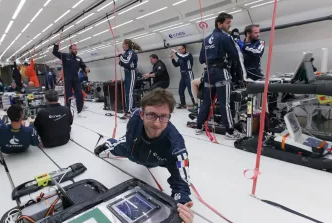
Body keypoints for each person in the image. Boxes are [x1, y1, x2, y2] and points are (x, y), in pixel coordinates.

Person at [94, 88, 192, 205]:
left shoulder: (177, 147)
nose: (157, 123)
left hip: (155, 161)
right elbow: (127, 137)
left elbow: (182, 180)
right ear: (142, 114)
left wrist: (182, 203)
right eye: (151, 115)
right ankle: (109, 143)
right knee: (112, 148)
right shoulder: (135, 118)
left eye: (163, 117)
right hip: (130, 150)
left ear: (169, 116)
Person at [197, 12, 241, 140]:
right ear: (219, 23)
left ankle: (199, 126)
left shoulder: (205, 40)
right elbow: (234, 56)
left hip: (208, 73)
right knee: (224, 103)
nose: (229, 25)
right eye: (227, 23)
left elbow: (201, 59)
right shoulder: (225, 37)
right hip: (221, 72)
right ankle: (230, 131)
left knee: (206, 101)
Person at [52, 43, 90, 118]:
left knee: (80, 94)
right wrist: (56, 45)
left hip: (76, 79)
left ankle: (79, 112)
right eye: (74, 49)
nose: (76, 51)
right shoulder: (65, 56)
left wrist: (86, 69)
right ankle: (67, 112)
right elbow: (55, 52)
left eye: (77, 49)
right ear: (70, 50)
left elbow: (84, 67)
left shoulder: (78, 59)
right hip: (68, 79)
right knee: (68, 96)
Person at [119, 39, 141, 119]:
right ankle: (127, 110)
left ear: (126, 45)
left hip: (131, 73)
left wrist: (121, 57)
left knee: (130, 93)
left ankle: (129, 111)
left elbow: (127, 61)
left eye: (123, 44)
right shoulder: (126, 53)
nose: (122, 46)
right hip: (127, 73)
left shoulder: (131, 52)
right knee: (127, 92)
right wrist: (121, 60)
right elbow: (124, 63)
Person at [170, 45, 196, 109]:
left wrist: (175, 52)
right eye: (178, 49)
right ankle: (183, 104)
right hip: (183, 75)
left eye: (180, 49)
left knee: (191, 91)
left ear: (184, 49)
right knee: (180, 90)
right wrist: (173, 59)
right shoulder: (180, 57)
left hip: (188, 74)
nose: (179, 51)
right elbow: (176, 65)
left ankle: (195, 105)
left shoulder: (188, 54)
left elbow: (184, 57)